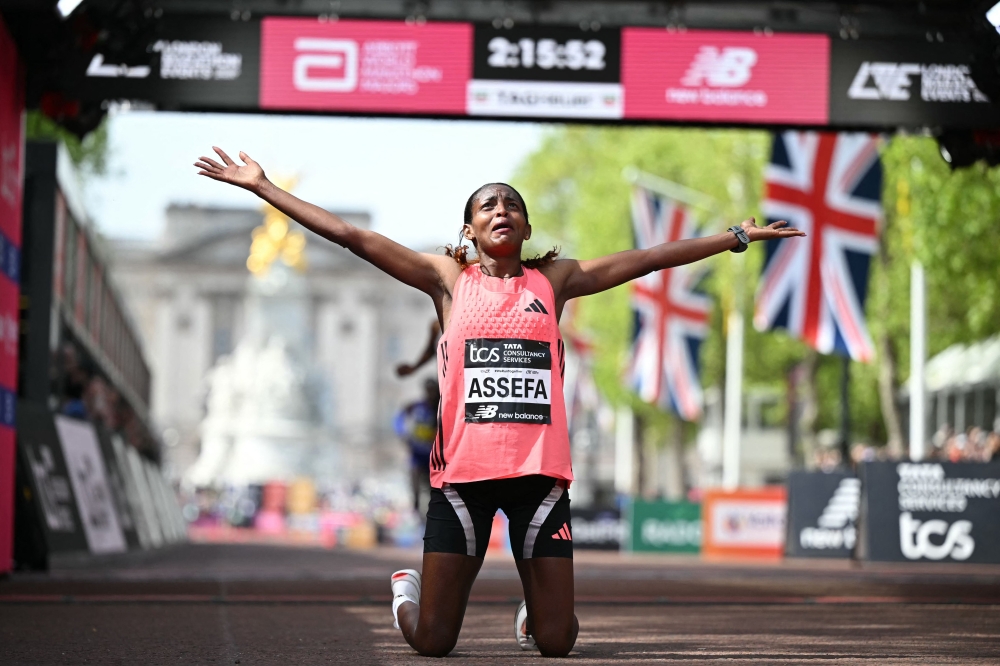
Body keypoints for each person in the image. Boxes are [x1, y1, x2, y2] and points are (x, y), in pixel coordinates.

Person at [194, 147, 804, 658]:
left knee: (559, 643)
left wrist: (733, 238)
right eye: (488, 205)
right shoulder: (447, 281)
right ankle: (409, 591)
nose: (501, 210)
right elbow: (352, 237)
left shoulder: (555, 282)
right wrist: (265, 187)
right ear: (469, 230)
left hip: (539, 478)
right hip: (464, 479)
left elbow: (644, 261)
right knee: (433, 643)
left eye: (512, 204)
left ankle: (535, 613)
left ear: (527, 228)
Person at [393, 377, 439, 512]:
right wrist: (402, 433)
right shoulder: (417, 406)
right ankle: (416, 503)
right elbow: (399, 417)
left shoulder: (442, 406)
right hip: (418, 452)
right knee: (414, 474)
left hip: (435, 454)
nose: (431, 394)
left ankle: (434, 507)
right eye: (428, 390)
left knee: (434, 486)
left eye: (433, 391)